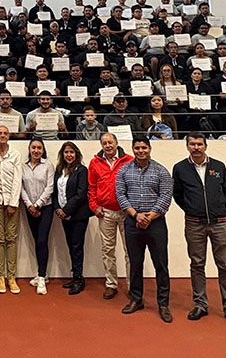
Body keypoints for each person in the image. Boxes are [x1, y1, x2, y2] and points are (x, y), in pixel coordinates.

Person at [172, 133, 226, 329]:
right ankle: (200, 304)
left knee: (225, 265)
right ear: (187, 146)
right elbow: (177, 194)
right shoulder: (180, 168)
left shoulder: (219, 166)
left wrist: (217, 206)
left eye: (199, 144)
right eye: (192, 144)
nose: (196, 147)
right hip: (194, 224)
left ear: (206, 146)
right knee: (197, 264)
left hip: (219, 223)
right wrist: (191, 208)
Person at [116, 136, 174, 323]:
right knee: (135, 263)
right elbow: (120, 195)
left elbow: (166, 196)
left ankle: (163, 304)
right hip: (132, 222)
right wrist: (136, 215)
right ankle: (136, 299)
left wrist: (150, 216)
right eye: (137, 148)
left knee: (161, 264)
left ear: (150, 149)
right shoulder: (124, 170)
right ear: (133, 149)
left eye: (144, 148)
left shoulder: (161, 171)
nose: (141, 151)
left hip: (156, 224)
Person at [88, 132, 134, 300]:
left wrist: (133, 209)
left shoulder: (129, 161)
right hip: (105, 213)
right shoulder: (95, 162)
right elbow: (91, 187)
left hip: (126, 212)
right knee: (107, 250)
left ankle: (132, 285)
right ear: (101, 145)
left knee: (130, 250)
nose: (108, 146)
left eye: (110, 142)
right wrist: (94, 207)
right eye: (104, 143)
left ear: (116, 143)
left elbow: (135, 185)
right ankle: (111, 284)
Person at [0, 125, 23, 294]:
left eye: (5, 133)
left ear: (9, 135)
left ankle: (11, 277)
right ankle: (1, 276)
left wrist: (13, 203)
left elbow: (17, 180)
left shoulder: (15, 154)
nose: (2, 135)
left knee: (11, 239)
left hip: (11, 202)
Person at [53, 142, 91, 295]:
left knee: (77, 247)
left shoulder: (82, 170)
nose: (69, 155)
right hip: (64, 216)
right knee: (71, 246)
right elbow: (55, 192)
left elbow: (81, 194)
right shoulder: (59, 170)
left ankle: (79, 280)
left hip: (78, 216)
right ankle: (75, 276)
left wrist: (66, 210)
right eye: (66, 152)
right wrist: (57, 208)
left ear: (76, 154)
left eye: (71, 152)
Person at [20, 138, 55, 295]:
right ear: (29, 149)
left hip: (45, 208)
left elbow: (50, 187)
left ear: (43, 150)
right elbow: (21, 187)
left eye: (39, 148)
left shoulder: (48, 165)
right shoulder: (23, 166)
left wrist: (38, 204)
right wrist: (29, 205)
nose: (36, 150)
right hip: (29, 208)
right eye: (33, 147)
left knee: (42, 240)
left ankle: (41, 277)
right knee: (37, 240)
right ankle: (43, 273)